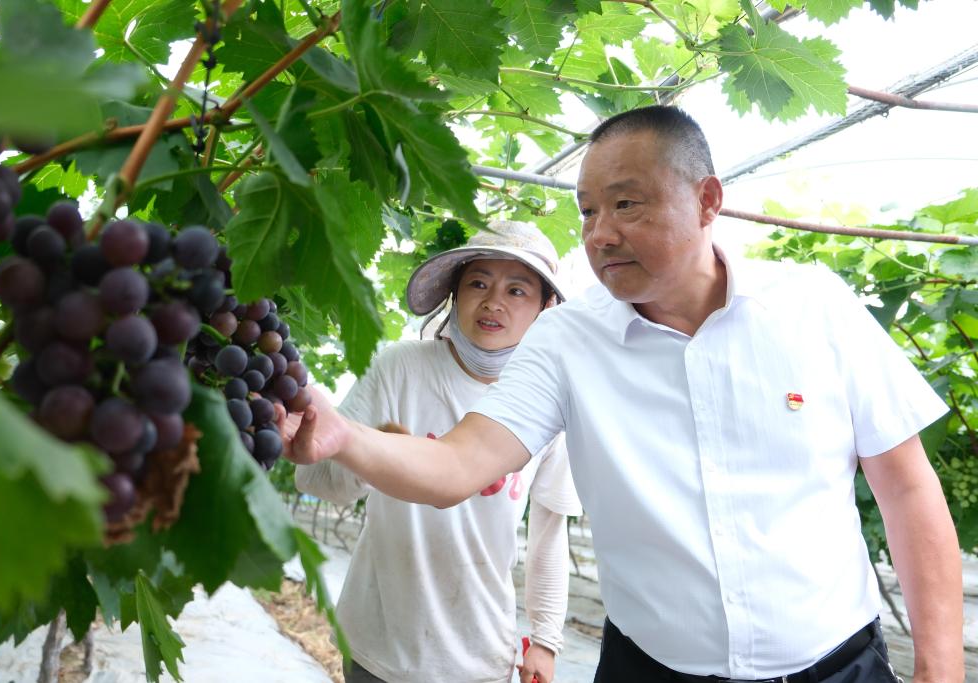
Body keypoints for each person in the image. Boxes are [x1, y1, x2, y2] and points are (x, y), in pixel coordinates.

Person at [283, 106, 964, 682]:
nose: (600, 233)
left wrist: (938, 667)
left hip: (836, 665)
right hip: (650, 667)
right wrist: (345, 435)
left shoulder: (815, 307)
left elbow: (906, 487)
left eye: (626, 204)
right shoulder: (566, 340)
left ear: (707, 200)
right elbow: (457, 465)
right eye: (587, 210)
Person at [295, 221, 582, 683]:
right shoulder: (398, 368)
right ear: (454, 292)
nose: (493, 302)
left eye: (517, 290)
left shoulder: (548, 406)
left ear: (544, 309)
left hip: (480, 655)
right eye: (478, 283)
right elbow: (318, 484)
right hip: (379, 645)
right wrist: (372, 452)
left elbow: (549, 532)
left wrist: (546, 640)